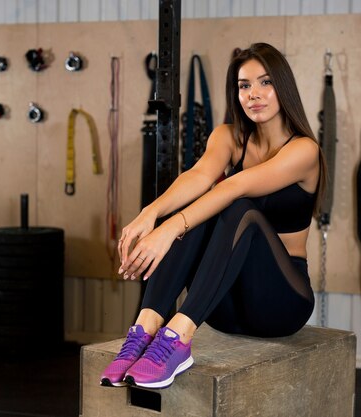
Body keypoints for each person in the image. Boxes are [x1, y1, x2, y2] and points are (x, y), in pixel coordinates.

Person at [100, 42, 327, 390]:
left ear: (283, 88)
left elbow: (232, 189)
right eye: (244, 85)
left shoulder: (304, 150)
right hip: (223, 307)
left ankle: (178, 339)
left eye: (265, 83)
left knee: (236, 207)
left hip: (281, 303)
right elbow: (199, 177)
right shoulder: (228, 136)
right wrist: (151, 214)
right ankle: (144, 330)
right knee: (199, 202)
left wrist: (169, 230)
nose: (254, 94)